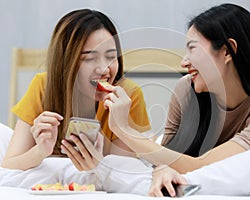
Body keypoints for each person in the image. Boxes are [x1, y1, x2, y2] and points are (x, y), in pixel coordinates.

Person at [103, 2, 250, 182]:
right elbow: (166, 157)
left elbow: (199, 167)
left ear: (227, 51)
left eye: (193, 49)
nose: (184, 62)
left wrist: (124, 129)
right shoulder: (186, 91)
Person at [1, 9, 150, 171]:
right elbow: (8, 166)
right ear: (66, 62)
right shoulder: (43, 86)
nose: (103, 69)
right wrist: (40, 151)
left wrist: (98, 166)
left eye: (110, 56)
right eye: (89, 58)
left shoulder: (129, 96)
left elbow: (122, 174)